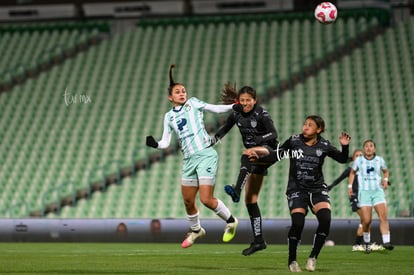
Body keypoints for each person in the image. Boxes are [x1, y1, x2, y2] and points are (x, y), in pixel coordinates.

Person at [145, 64, 238, 248]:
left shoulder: (193, 103)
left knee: (205, 199)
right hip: (188, 160)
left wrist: (234, 106)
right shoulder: (168, 117)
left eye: (183, 91)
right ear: (170, 97)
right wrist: (155, 144)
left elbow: (215, 109)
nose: (182, 93)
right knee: (188, 201)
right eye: (178, 92)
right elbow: (165, 142)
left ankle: (231, 221)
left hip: (205, 154)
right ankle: (196, 230)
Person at [243, 115, 351, 272]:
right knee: (298, 223)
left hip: (317, 188)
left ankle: (313, 257)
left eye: (310, 125)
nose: (305, 127)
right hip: (297, 189)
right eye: (305, 124)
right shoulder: (294, 141)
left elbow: (342, 159)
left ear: (319, 129)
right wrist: (259, 156)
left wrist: (345, 147)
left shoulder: (325, 145)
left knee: (325, 219)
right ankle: (292, 261)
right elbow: (277, 154)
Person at [213, 84, 278, 256]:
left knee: (247, 153)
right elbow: (226, 127)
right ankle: (259, 241)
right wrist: (214, 139)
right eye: (242, 100)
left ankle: (236, 189)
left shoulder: (262, 114)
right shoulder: (236, 113)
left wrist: (258, 139)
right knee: (251, 201)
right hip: (255, 159)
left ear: (254, 100)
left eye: (248, 100)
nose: (245, 103)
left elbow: (274, 133)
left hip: (270, 151)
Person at [348, 139, 394, 253]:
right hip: (364, 193)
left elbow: (386, 171)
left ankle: (386, 241)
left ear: (374, 148)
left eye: (371, 146)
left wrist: (385, 179)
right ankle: (367, 243)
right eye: (366, 146)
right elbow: (352, 173)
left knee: (383, 216)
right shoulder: (359, 160)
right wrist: (349, 187)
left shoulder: (380, 160)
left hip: (377, 191)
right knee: (367, 221)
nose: (369, 148)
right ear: (364, 149)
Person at [327, 149, 366, 251]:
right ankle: (362, 244)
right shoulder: (350, 170)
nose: (359, 157)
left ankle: (359, 244)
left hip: (365, 197)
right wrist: (330, 187)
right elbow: (338, 179)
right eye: (357, 155)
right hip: (355, 196)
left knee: (365, 221)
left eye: (361, 155)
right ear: (353, 158)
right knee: (365, 219)